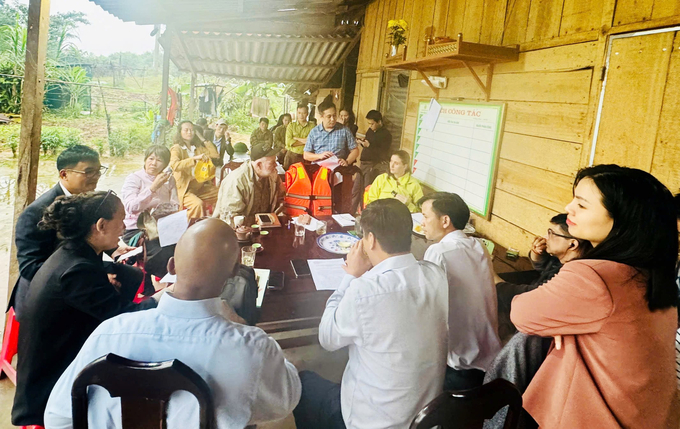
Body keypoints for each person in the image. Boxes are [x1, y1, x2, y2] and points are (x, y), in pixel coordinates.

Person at [44, 218, 301, 429]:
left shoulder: (110, 333)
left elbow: (57, 418)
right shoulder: (251, 347)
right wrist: (239, 323)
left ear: (172, 266)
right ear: (235, 273)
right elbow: (285, 400)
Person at [511, 164, 678, 428]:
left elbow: (521, 314)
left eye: (582, 204)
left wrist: (563, 325)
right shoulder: (651, 273)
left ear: (621, 221)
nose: (569, 207)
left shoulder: (593, 276)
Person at [293, 199, 448, 429]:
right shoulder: (436, 275)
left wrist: (352, 276)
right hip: (425, 418)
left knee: (302, 383)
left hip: (372, 422)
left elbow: (327, 338)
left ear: (371, 240)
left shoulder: (365, 290)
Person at [12, 191, 160, 427]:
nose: (124, 227)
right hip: (50, 384)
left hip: (58, 357)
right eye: (120, 220)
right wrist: (162, 297)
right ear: (101, 225)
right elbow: (122, 317)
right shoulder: (77, 271)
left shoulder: (72, 252)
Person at [10, 145, 135, 320]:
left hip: (79, 267)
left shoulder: (89, 200)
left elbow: (90, 235)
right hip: (48, 286)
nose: (96, 177)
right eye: (89, 171)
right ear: (64, 174)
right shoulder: (36, 212)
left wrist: (114, 249)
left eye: (99, 171)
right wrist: (87, 281)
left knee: (131, 275)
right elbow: (30, 267)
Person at [420, 192, 501, 391]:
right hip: (490, 356)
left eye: (425, 216)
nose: (422, 223)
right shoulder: (479, 245)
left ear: (445, 220)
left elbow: (425, 305)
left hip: (458, 363)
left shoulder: (438, 252)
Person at [493, 213, 590, 340]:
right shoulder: (562, 260)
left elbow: (529, 295)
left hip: (530, 329)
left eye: (552, 233)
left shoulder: (571, 276)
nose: (545, 238)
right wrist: (536, 254)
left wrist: (492, 276)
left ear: (572, 244)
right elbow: (545, 268)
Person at [121, 145, 179, 282]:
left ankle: (176, 277)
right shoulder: (134, 179)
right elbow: (131, 207)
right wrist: (153, 188)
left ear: (165, 164)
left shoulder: (169, 180)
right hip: (137, 228)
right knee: (163, 251)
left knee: (184, 243)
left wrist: (165, 212)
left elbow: (175, 204)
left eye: (159, 160)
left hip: (162, 225)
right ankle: (167, 279)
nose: (153, 163)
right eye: (150, 158)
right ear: (145, 159)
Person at [213, 144, 283, 222]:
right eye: (272, 163)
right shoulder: (236, 181)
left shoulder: (272, 176)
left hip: (265, 226)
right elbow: (230, 218)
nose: (276, 165)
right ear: (259, 165)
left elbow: (281, 199)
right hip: (240, 228)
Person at [169, 120, 219, 219]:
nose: (189, 132)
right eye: (186, 130)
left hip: (198, 187)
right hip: (184, 189)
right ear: (180, 132)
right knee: (197, 204)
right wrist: (194, 159)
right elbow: (174, 165)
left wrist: (201, 138)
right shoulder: (177, 148)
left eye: (192, 130)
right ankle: (188, 227)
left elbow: (215, 154)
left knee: (223, 193)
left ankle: (215, 223)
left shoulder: (197, 148)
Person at [303, 100, 358, 167]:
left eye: (334, 116)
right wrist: (319, 156)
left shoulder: (344, 130)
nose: (332, 119)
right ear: (321, 117)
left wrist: (347, 161)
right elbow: (306, 155)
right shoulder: (314, 132)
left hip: (338, 168)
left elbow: (355, 150)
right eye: (329, 116)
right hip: (319, 169)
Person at [285, 104, 315, 170]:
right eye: (299, 113)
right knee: (289, 177)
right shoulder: (291, 125)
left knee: (304, 178)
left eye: (304, 113)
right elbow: (289, 142)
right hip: (291, 156)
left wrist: (296, 138)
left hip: (305, 157)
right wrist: (305, 141)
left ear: (307, 114)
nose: (301, 115)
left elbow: (312, 142)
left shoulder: (312, 126)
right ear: (297, 113)